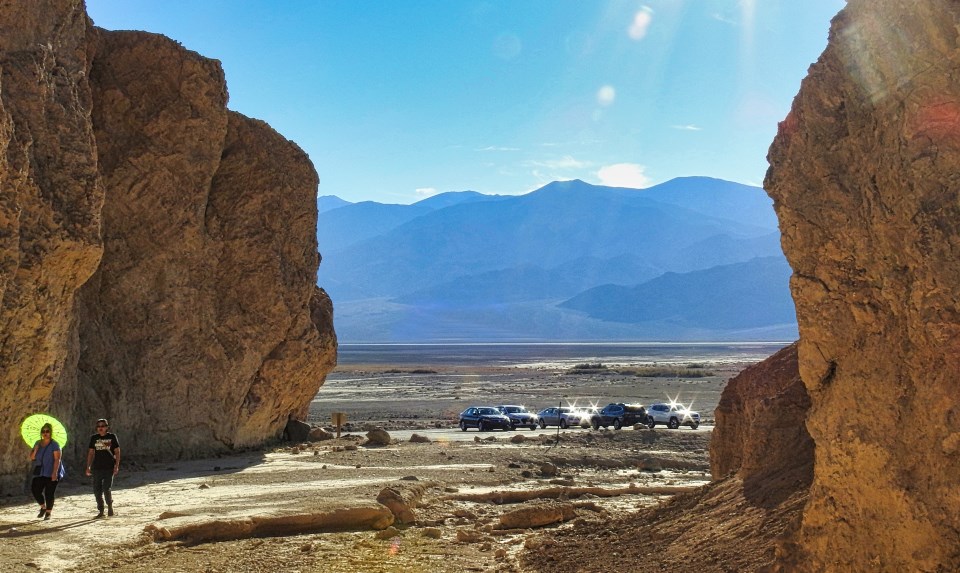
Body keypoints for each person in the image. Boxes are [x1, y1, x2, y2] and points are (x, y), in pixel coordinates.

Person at [85, 418, 120, 518]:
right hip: (97, 468)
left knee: (106, 488)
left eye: (103, 426)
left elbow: (117, 452)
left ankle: (109, 506)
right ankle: (101, 510)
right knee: (97, 490)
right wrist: (88, 466)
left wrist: (116, 466)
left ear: (107, 427)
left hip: (109, 467)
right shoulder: (94, 438)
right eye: (99, 426)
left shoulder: (112, 437)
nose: (100, 428)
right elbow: (91, 453)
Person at [29, 422, 62, 521]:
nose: (45, 433)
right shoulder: (37, 443)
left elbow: (57, 459)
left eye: (47, 431)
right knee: (35, 490)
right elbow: (32, 458)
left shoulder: (54, 444)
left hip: (51, 471)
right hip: (40, 472)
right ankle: (43, 507)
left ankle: (48, 513)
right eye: (43, 431)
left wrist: (54, 473)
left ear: (50, 432)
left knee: (49, 493)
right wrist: (35, 450)